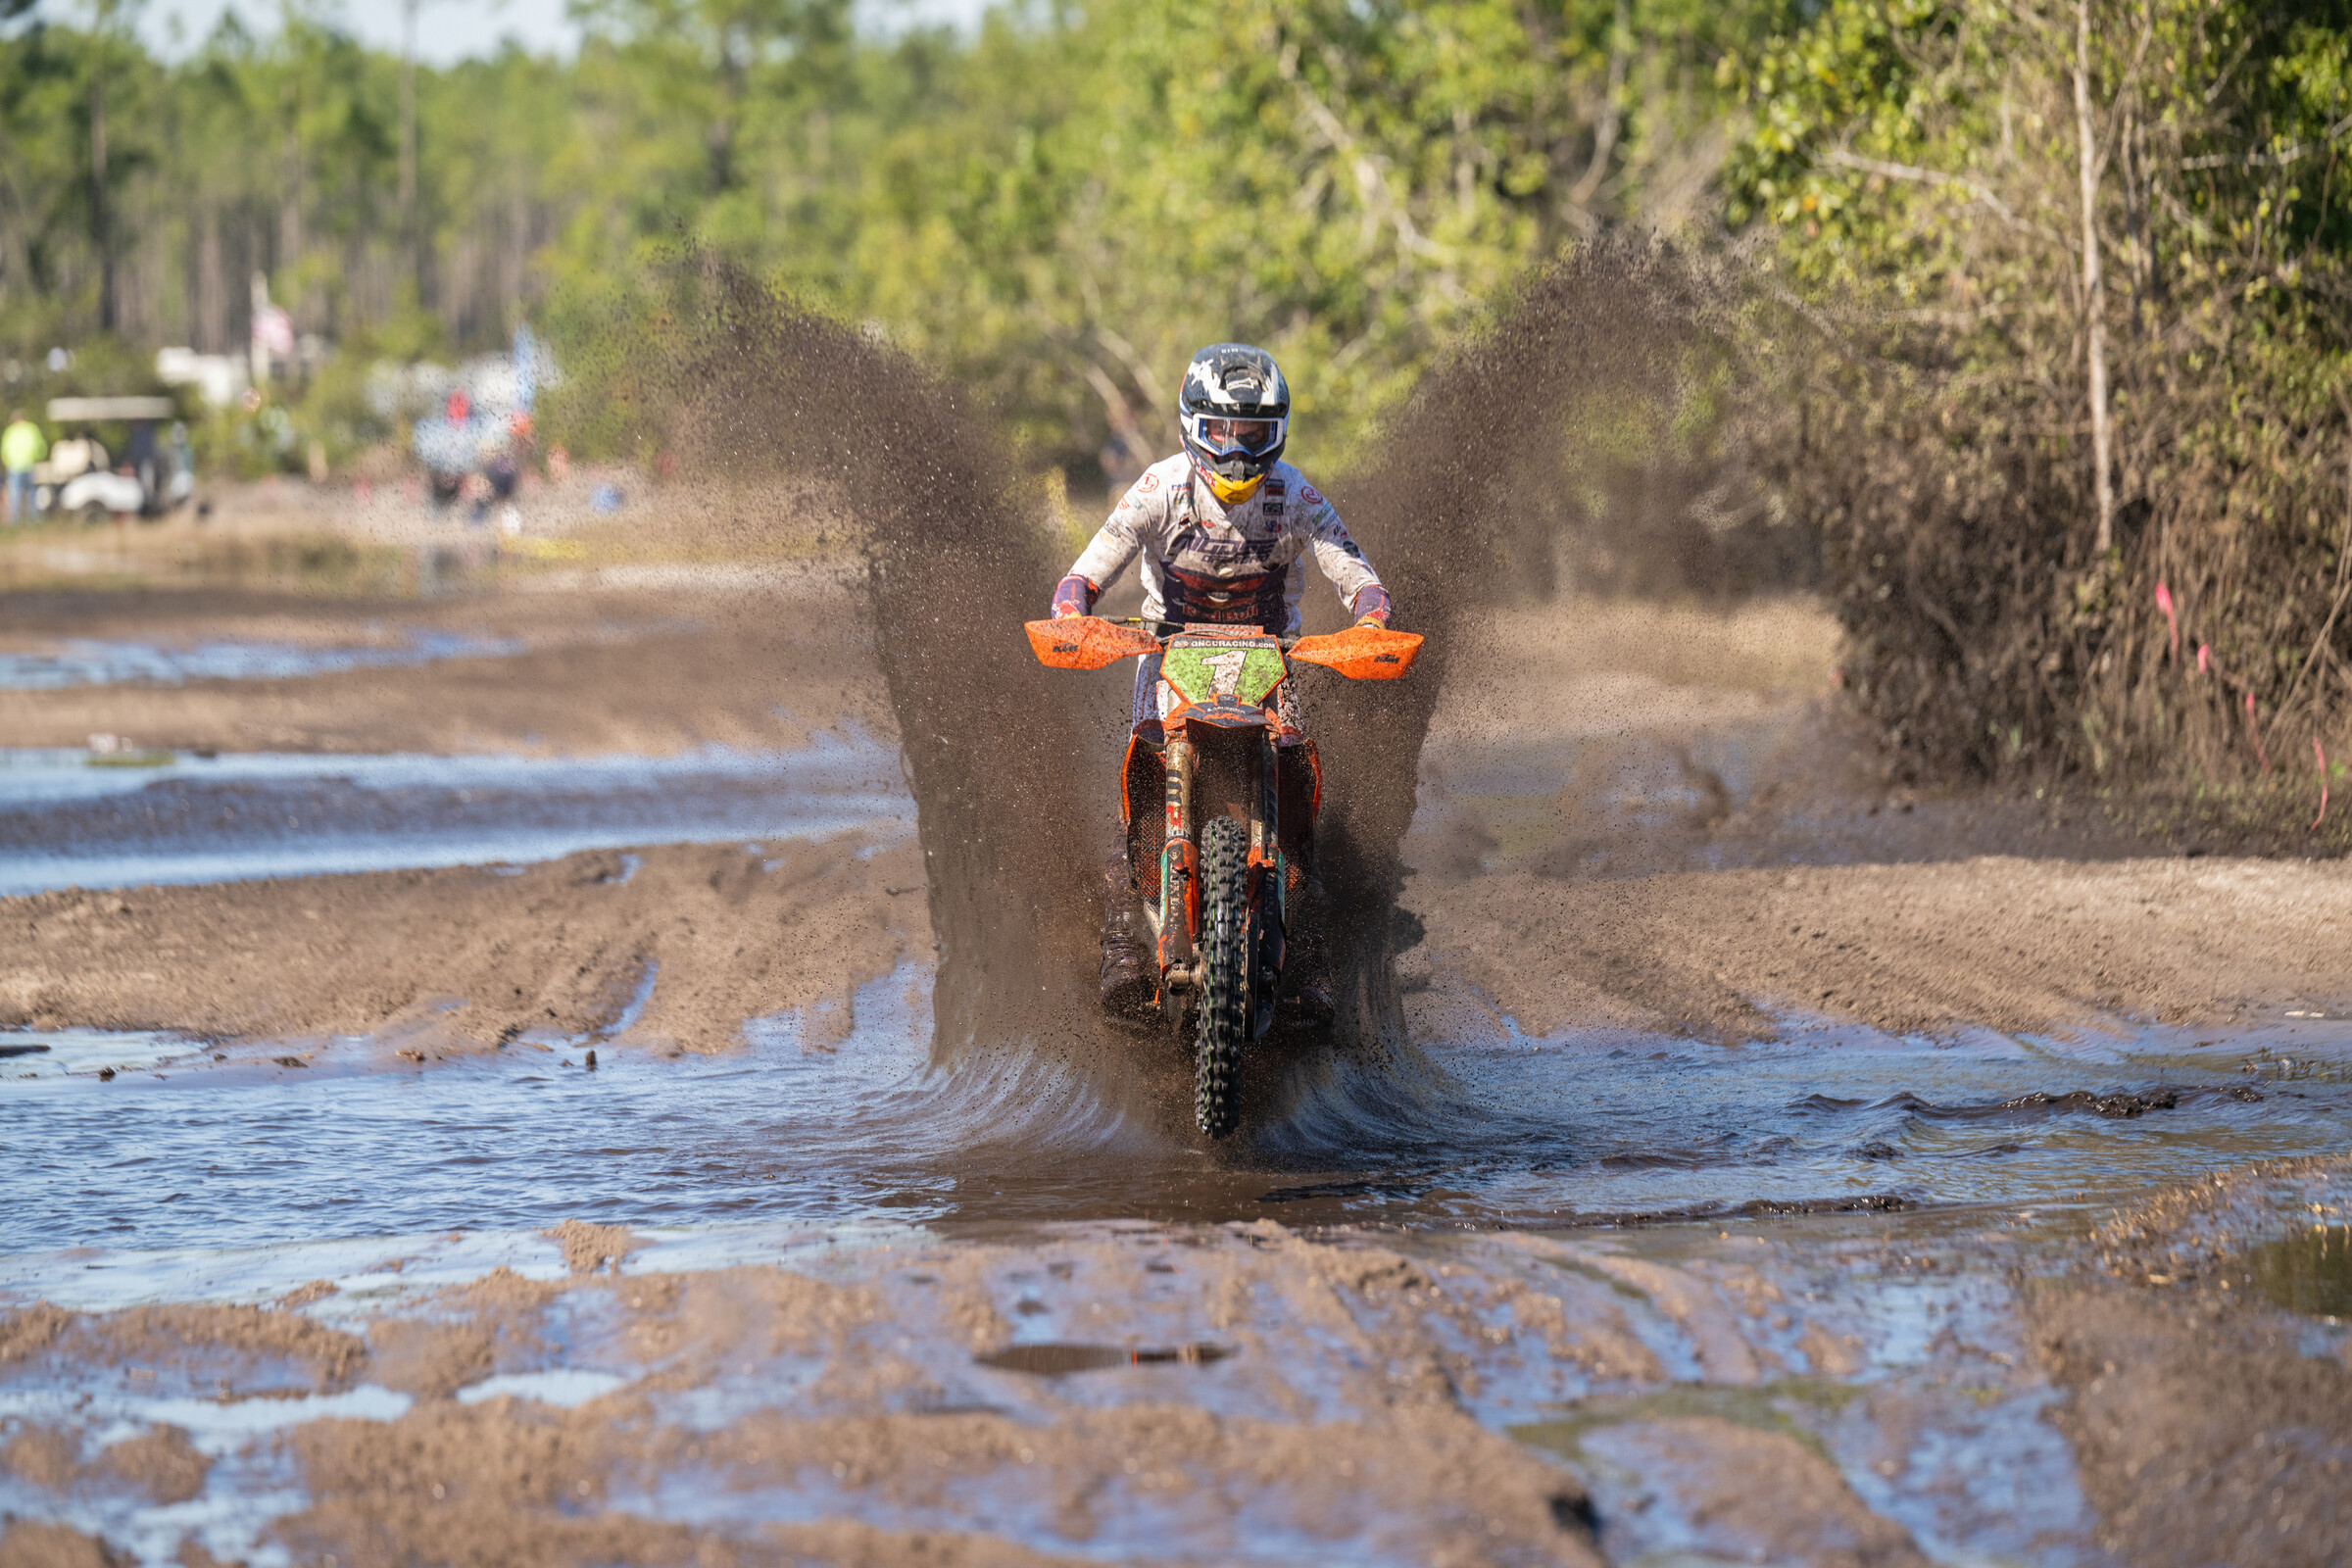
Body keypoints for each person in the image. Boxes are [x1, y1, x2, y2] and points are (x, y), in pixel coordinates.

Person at [1048, 343, 1394, 1016]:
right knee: (1141, 783)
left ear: (1278, 434)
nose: (1237, 452)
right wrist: (1071, 613)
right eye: (1223, 432)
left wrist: (1373, 620)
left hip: (1270, 655)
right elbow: (1088, 570)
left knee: (1298, 795)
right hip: (1168, 651)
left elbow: (1357, 572)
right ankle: (1125, 943)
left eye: (1254, 434)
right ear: (1192, 426)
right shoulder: (1159, 487)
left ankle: (1312, 961)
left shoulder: (1293, 492)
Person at [3, 410, 46, 524]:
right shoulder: (32, 429)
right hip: (29, 465)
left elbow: (4, 450)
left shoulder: (10, 431)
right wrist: (39, 457)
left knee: (15, 496)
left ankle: (15, 522)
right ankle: (34, 519)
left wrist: (7, 462)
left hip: (14, 467)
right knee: (31, 494)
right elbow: (40, 447)